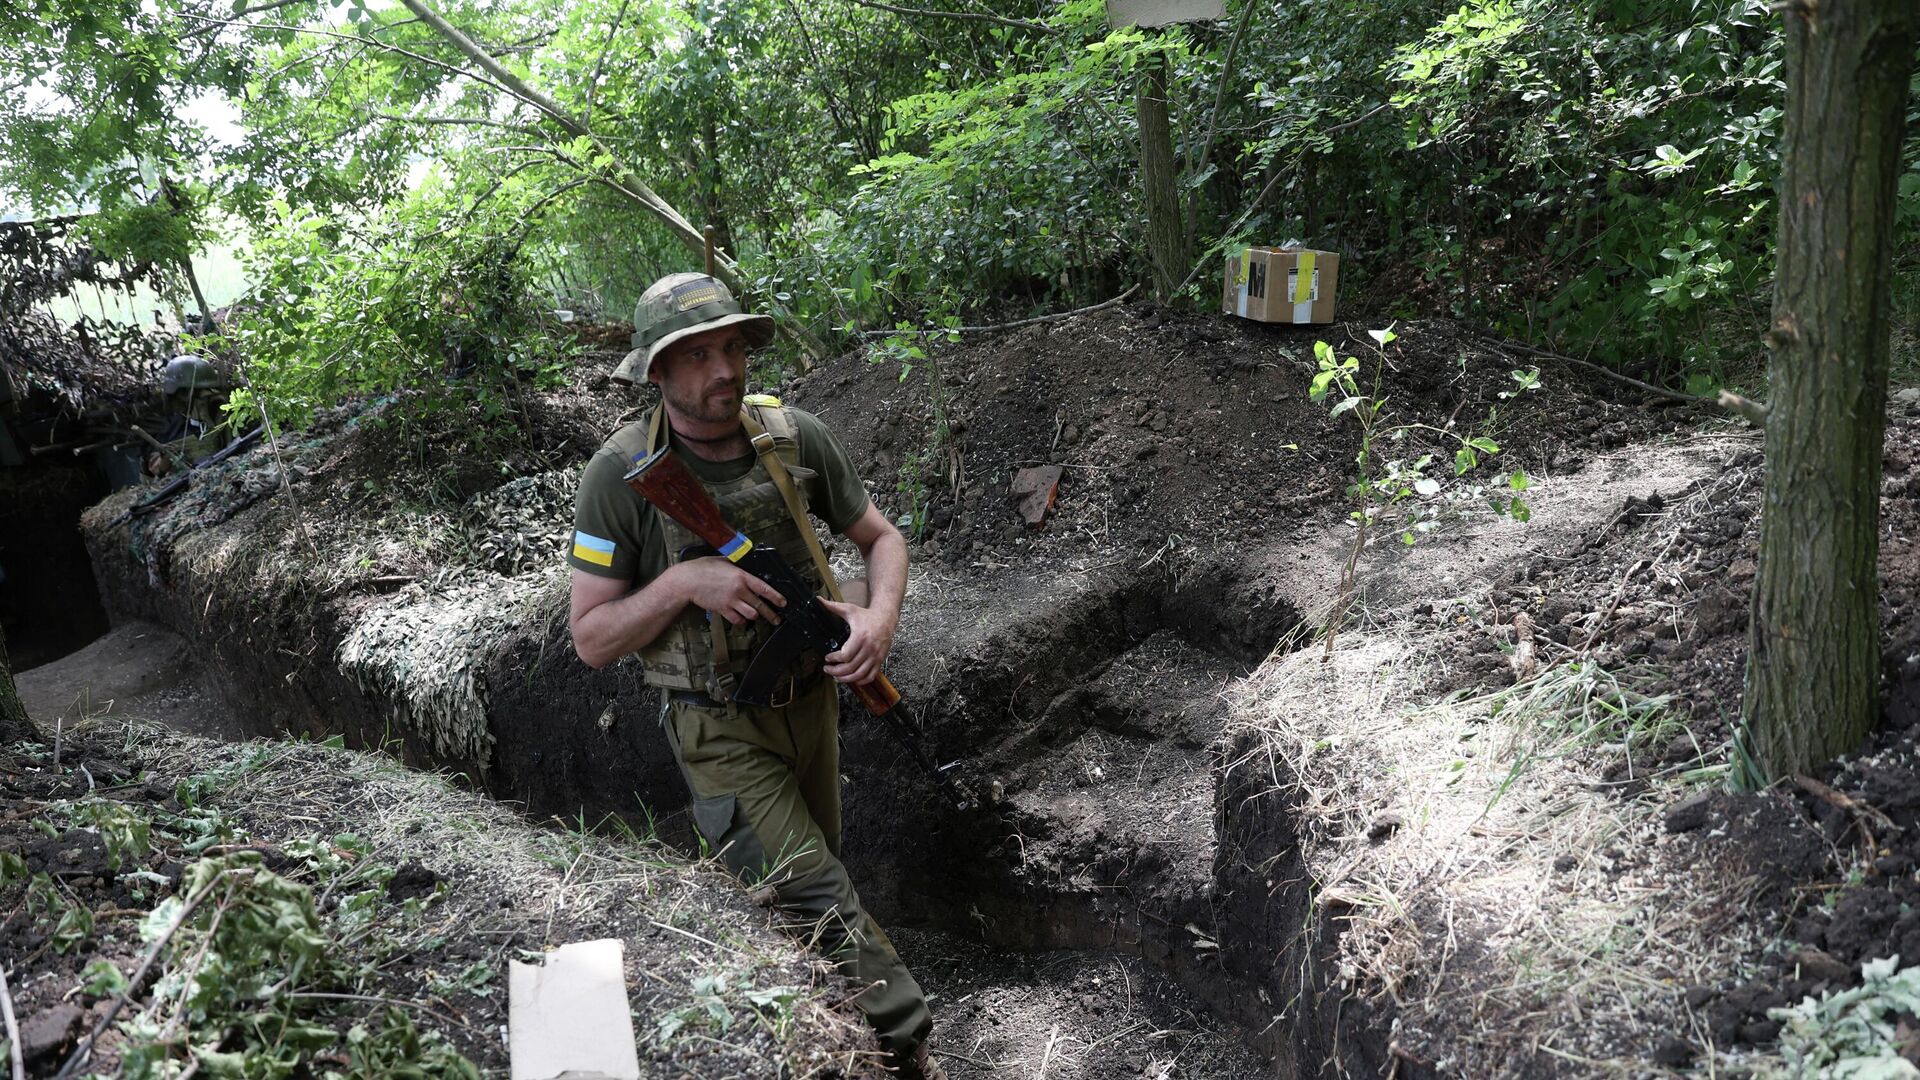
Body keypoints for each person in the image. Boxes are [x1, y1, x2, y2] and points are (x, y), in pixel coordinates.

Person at [566, 273, 942, 1079]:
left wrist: (877, 622)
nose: (724, 370)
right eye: (696, 356)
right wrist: (681, 585)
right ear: (655, 374)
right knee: (814, 896)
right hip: (718, 727)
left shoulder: (793, 436)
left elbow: (883, 540)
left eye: (732, 347)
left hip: (811, 708)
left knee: (813, 885)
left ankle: (819, 1044)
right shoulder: (621, 474)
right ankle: (909, 1048)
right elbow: (592, 639)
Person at [147, 354, 231, 476]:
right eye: (201, 395)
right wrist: (163, 463)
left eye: (207, 393)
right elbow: (156, 465)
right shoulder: (176, 421)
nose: (204, 399)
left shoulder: (221, 409)